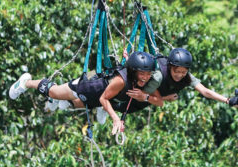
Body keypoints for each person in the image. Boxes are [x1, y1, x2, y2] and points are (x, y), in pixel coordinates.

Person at [9, 51, 163, 135]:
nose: (145, 77)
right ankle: (26, 82)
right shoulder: (120, 81)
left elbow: (158, 99)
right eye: (142, 73)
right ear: (134, 71)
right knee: (54, 91)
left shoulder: (140, 78)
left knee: (70, 105)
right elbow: (104, 98)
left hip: (94, 97)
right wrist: (116, 118)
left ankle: (55, 100)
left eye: (148, 74)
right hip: (88, 87)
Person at [118, 48, 238, 113]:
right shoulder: (159, 70)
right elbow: (139, 69)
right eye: (176, 72)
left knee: (124, 109)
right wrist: (128, 59)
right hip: (133, 92)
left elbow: (205, 91)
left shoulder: (187, 77)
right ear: (170, 67)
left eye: (183, 72)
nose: (179, 75)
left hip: (144, 101)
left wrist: (227, 100)